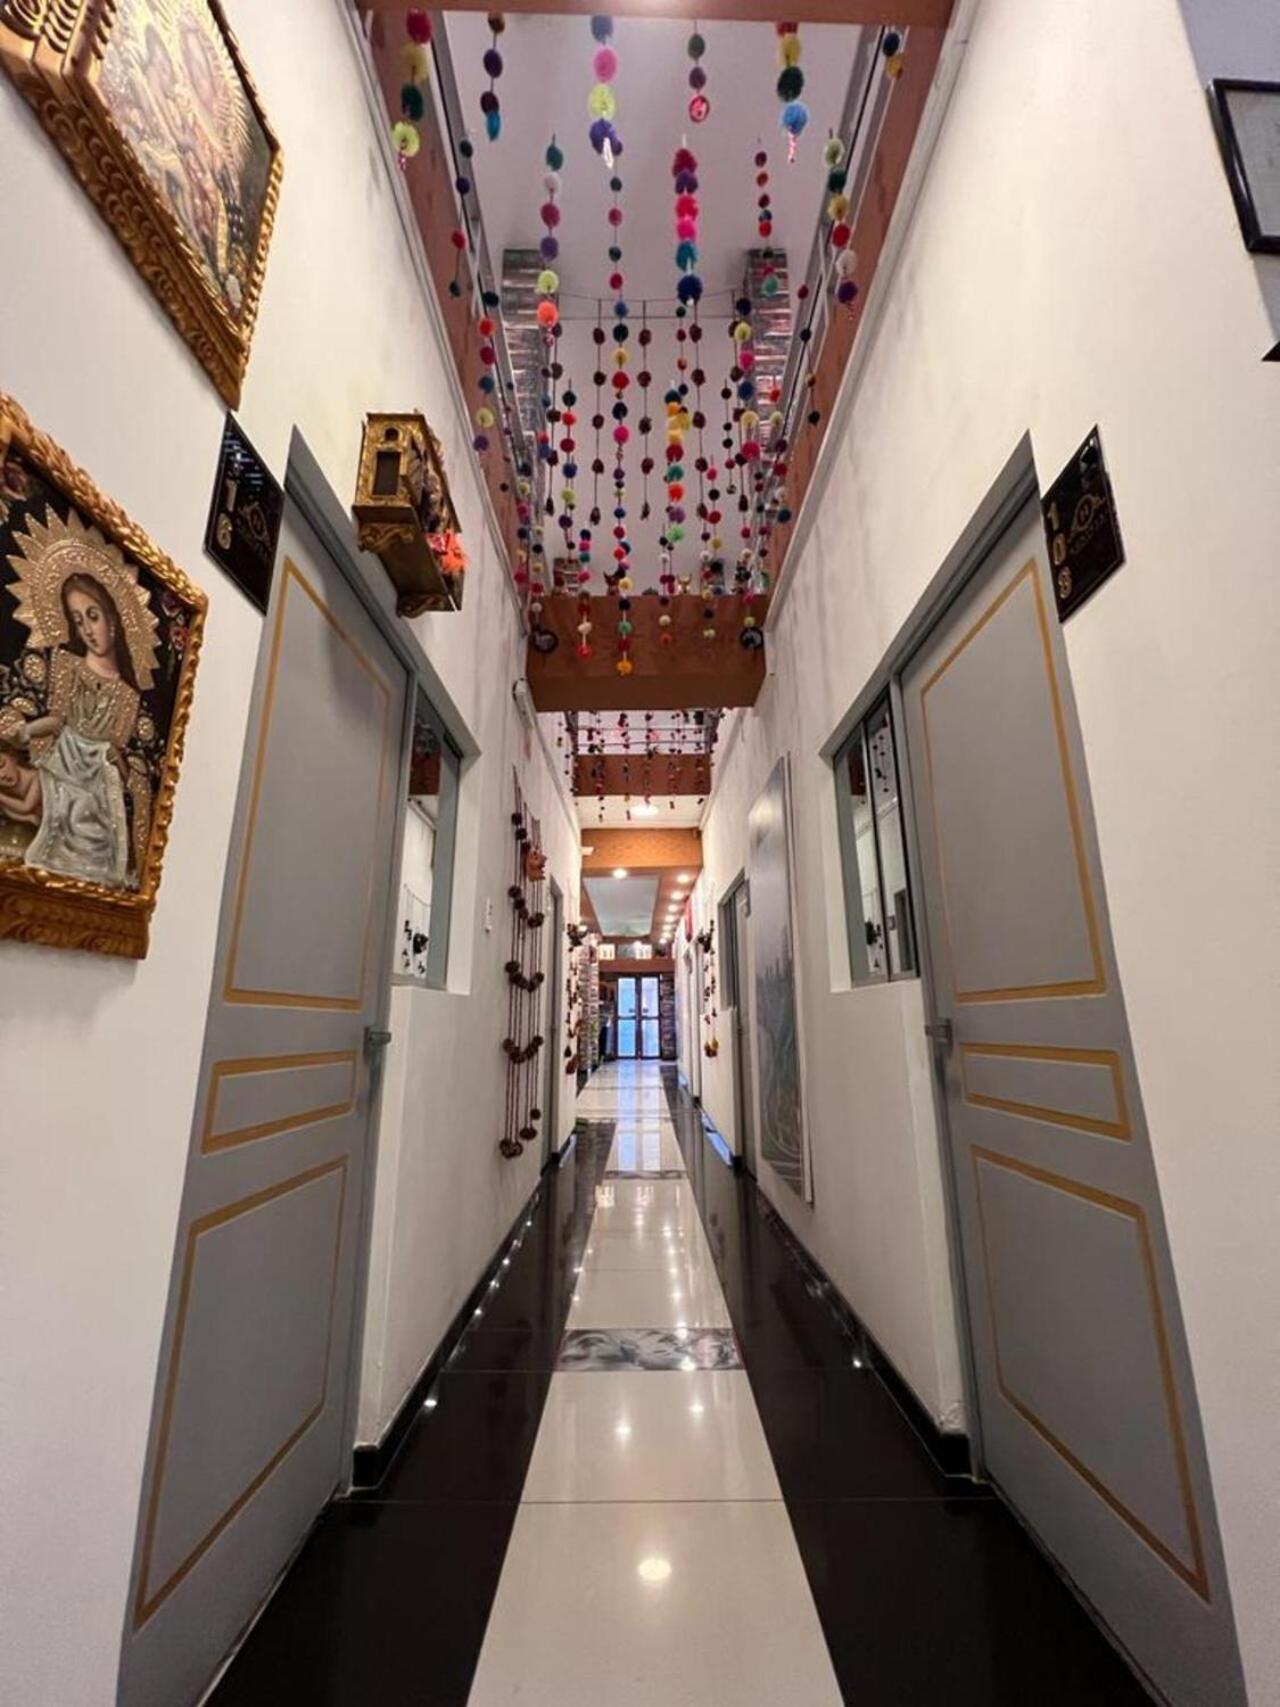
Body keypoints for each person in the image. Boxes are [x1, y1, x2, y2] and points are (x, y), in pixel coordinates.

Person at [18, 572, 144, 888]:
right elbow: (56, 720)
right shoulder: (67, 665)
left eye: (93, 616)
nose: (87, 629)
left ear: (111, 620)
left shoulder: (128, 696)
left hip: (98, 779)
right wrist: (26, 731)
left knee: (97, 838)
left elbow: (118, 757)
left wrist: (121, 768)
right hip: (64, 762)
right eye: (78, 621)